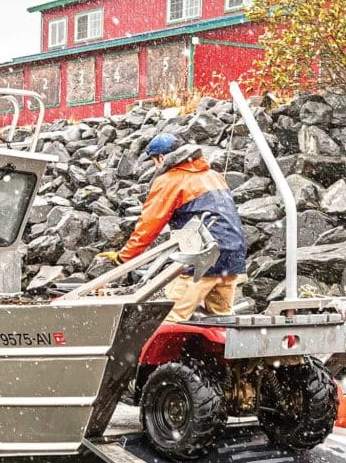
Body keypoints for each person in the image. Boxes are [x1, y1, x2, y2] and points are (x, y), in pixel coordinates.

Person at [99, 133, 247, 322]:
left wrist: (124, 257)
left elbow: (149, 225)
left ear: (161, 158)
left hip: (203, 257)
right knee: (221, 321)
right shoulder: (213, 176)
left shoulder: (170, 180)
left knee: (166, 321)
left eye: (154, 161)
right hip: (232, 256)